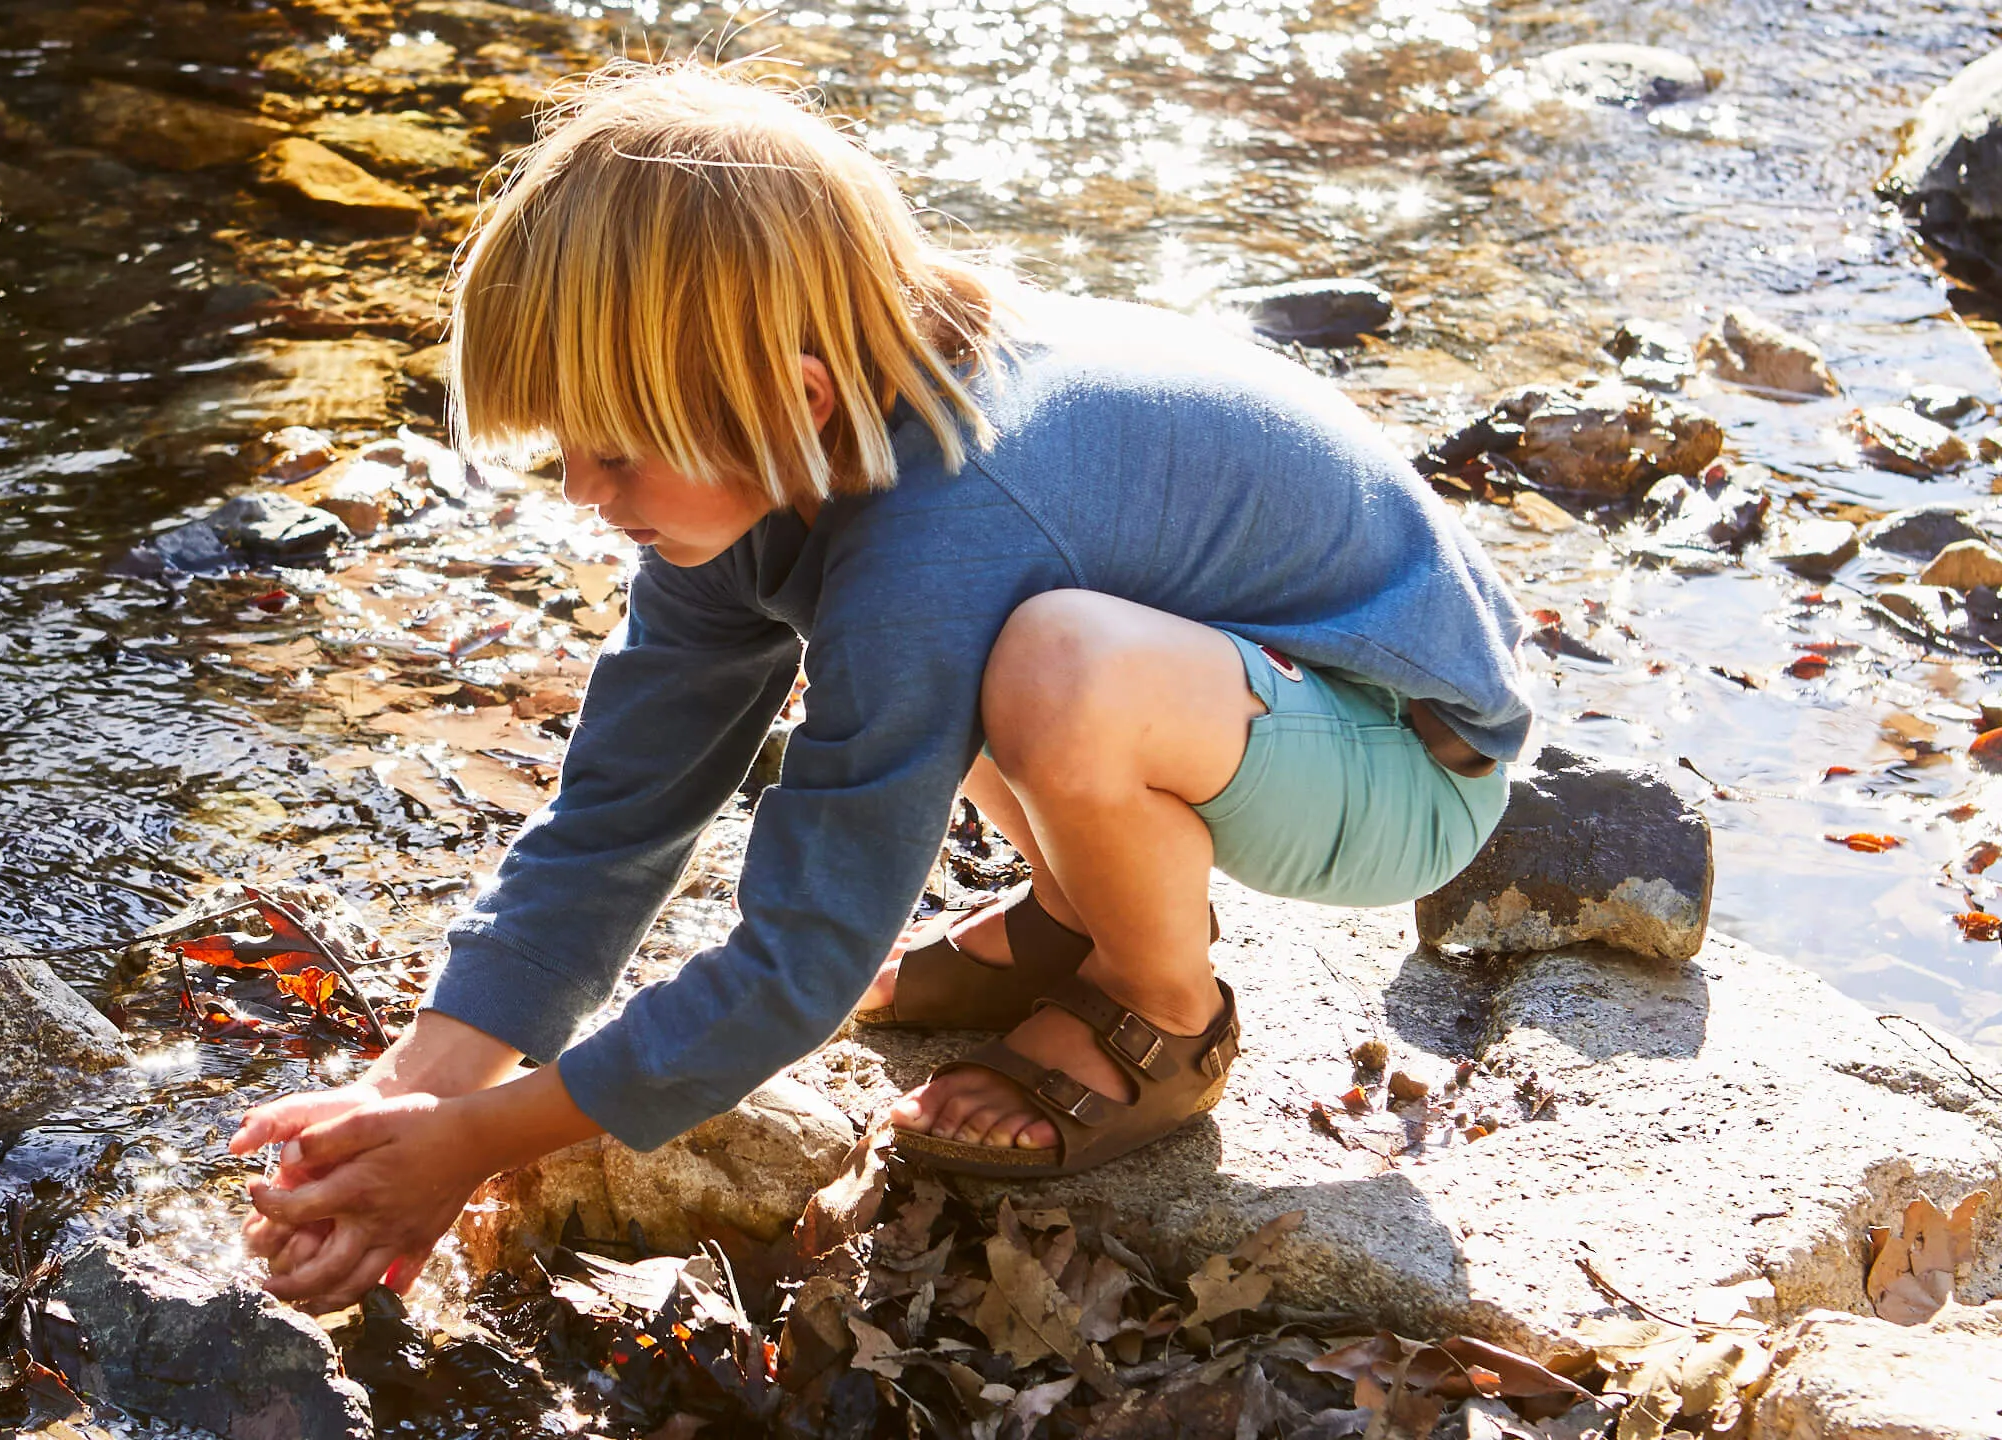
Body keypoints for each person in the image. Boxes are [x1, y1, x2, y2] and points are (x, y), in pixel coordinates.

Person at [229, 59, 1532, 1310]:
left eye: (614, 450)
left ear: (786, 399)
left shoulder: (948, 518)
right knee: (934, 656)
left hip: (1403, 754)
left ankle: (1161, 1014)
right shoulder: (776, 452)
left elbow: (805, 958)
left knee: (1038, 662)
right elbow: (622, 811)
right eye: (568, 448)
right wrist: (422, 1079)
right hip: (1247, 691)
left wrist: (481, 1144)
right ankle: (1069, 923)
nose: (580, 490)